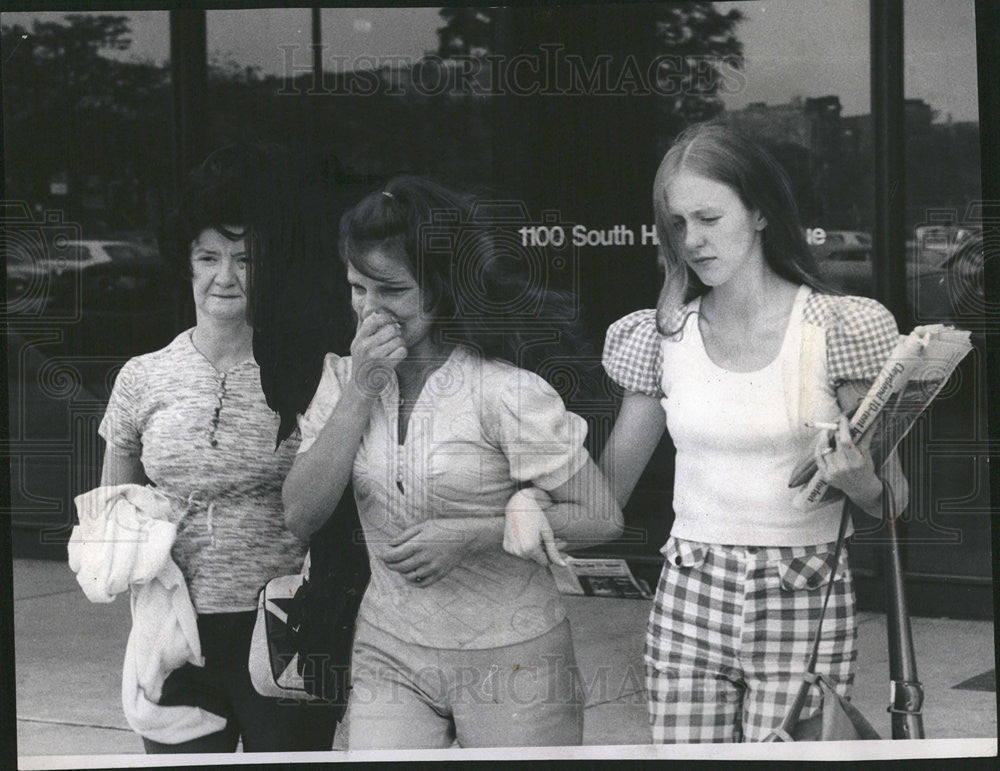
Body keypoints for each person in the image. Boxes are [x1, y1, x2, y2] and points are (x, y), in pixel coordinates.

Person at [282, 176, 623, 749]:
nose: (369, 310)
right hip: (387, 646)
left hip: (513, 659)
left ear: (439, 290)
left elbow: (602, 517)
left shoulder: (505, 390)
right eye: (356, 288)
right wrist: (361, 390)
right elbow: (300, 515)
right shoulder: (342, 380)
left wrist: (474, 535)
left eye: (389, 290)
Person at [599, 122, 908, 743]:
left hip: (805, 588)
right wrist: (524, 501)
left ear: (761, 212)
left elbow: (892, 501)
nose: (693, 240)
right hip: (690, 588)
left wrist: (861, 482)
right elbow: (603, 496)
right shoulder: (663, 337)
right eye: (678, 224)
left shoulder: (834, 329)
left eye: (709, 218)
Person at [98, 148, 339, 753]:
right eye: (208, 258)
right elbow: (112, 510)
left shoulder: (308, 372)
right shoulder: (141, 377)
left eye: (244, 259)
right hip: (174, 634)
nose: (224, 277)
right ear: (186, 264)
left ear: (269, 269)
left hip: (283, 627)